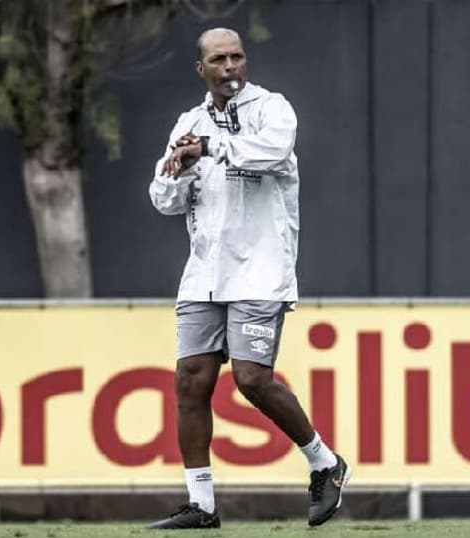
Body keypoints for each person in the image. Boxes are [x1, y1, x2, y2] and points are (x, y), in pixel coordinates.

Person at [147, 28, 350, 529]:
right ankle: (202, 505)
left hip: (261, 271)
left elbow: (272, 154)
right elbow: (163, 199)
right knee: (190, 380)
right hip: (204, 275)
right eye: (218, 59)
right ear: (202, 70)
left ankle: (325, 462)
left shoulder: (273, 109)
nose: (230, 66)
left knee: (251, 378)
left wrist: (210, 148)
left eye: (237, 56)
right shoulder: (189, 123)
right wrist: (179, 169)